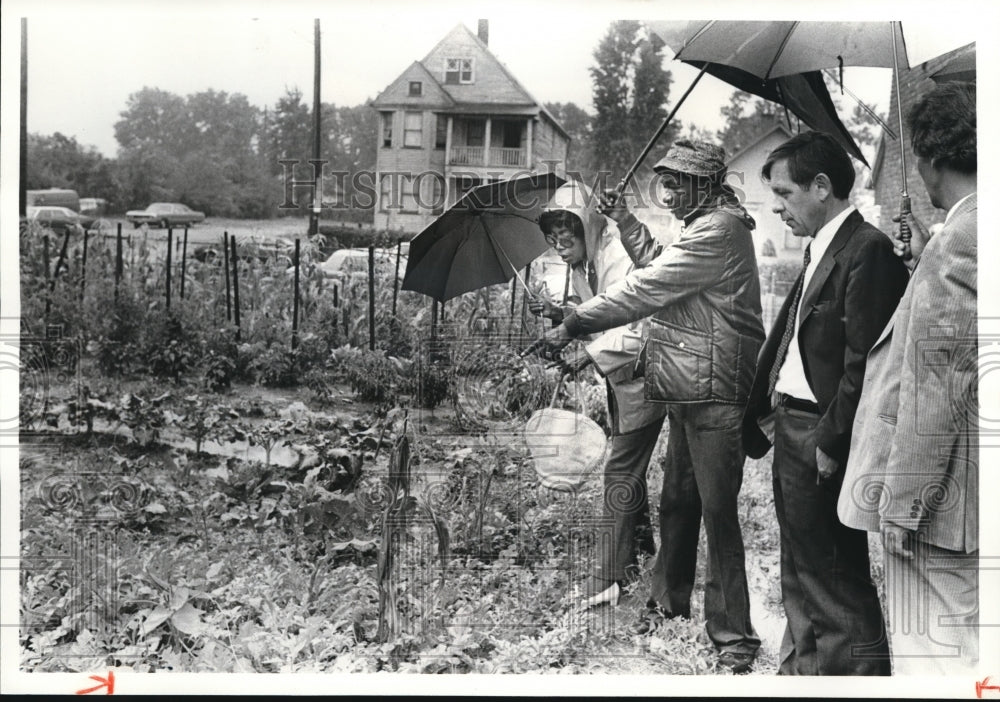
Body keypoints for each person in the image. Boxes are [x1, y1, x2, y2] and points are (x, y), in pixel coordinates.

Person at [528, 139, 764, 673]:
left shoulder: (720, 230)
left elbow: (647, 287)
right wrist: (627, 220)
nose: (670, 189)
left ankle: (735, 637)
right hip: (687, 385)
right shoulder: (701, 227)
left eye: (679, 181)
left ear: (707, 184)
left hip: (715, 391)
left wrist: (574, 323)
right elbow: (662, 264)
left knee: (719, 515)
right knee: (678, 503)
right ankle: (667, 603)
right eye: (667, 179)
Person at [742, 131, 909, 675]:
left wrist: (833, 441)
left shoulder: (868, 249)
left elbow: (866, 362)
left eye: (785, 194)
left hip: (822, 433)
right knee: (800, 565)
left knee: (834, 576)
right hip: (793, 425)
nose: (776, 206)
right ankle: (804, 671)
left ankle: (855, 679)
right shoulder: (821, 244)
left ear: (821, 187)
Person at [838, 82, 978, 675]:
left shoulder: (962, 242)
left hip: (944, 503)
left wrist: (902, 502)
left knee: (939, 656)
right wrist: (925, 256)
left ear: (927, 160)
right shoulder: (960, 239)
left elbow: (937, 388)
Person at [527, 182, 668, 610]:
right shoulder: (582, 263)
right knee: (631, 469)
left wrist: (585, 356)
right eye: (552, 239)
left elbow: (639, 324)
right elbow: (600, 315)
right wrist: (561, 316)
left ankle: (606, 576)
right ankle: (640, 554)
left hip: (651, 374)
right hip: (621, 377)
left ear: (587, 226)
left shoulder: (619, 256)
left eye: (566, 236)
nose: (559, 245)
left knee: (620, 472)